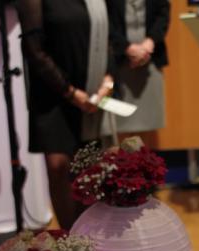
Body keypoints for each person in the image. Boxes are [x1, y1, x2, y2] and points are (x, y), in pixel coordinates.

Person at [17, 0, 116, 230]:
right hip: (53, 94)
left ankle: (87, 240)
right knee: (58, 166)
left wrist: (108, 82)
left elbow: (110, 38)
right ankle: (69, 239)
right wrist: (70, 92)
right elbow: (33, 49)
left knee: (88, 168)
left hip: (92, 94)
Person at [108, 0, 170, 135]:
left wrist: (150, 42)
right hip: (118, 59)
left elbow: (163, 14)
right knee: (117, 123)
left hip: (150, 57)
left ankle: (144, 156)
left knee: (149, 121)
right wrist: (127, 48)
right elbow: (106, 20)